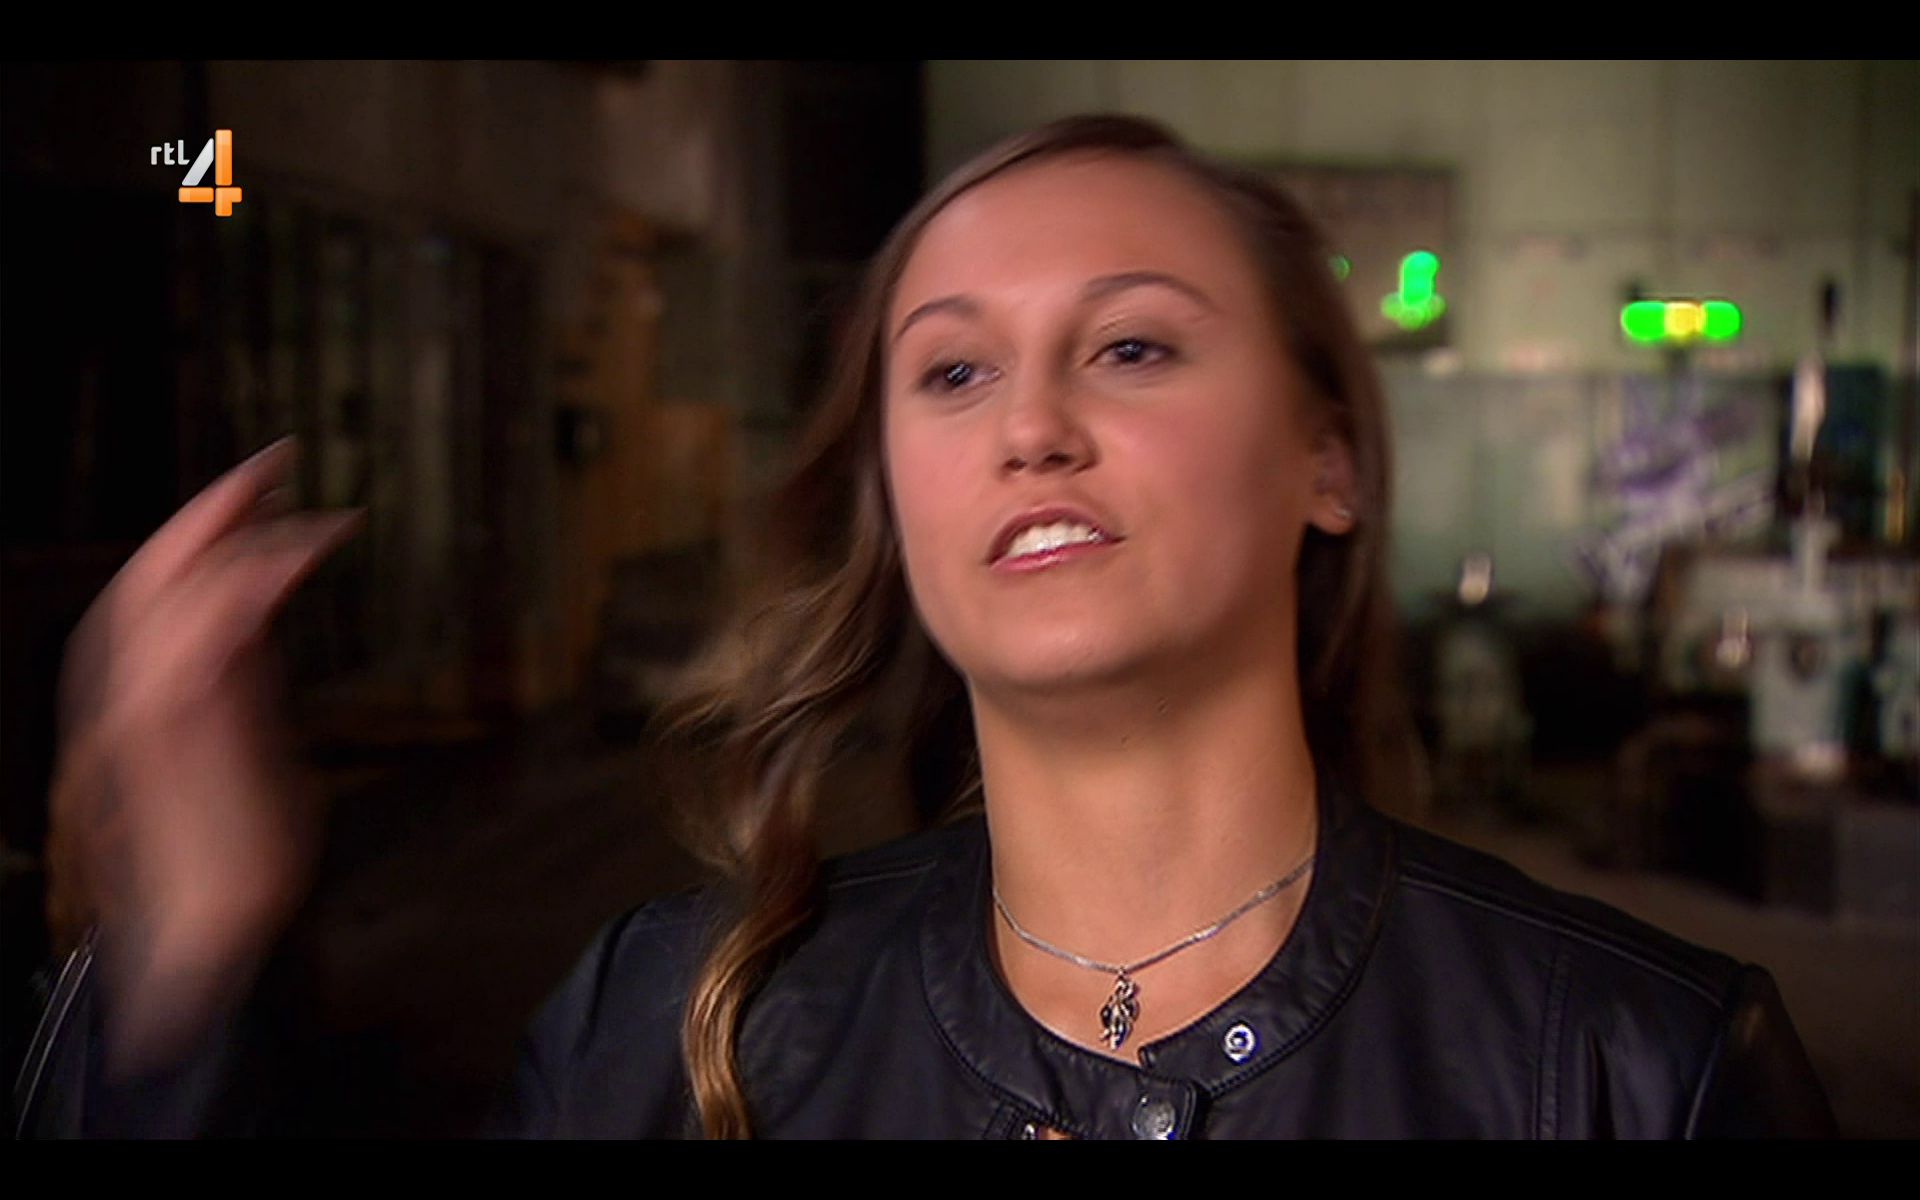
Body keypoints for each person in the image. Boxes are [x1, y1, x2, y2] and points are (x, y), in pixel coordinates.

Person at [18, 115, 1834, 1139]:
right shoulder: (668, 1025)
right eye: (953, 371)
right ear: (892, 499)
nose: (1031, 424)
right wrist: (190, 977)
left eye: (1132, 344)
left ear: (1328, 457)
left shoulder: (1636, 1067)